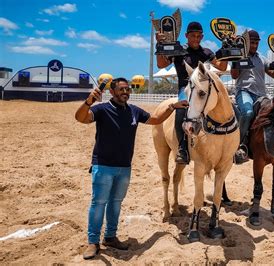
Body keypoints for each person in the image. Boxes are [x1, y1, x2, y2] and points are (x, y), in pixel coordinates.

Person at [75, 78, 188, 259]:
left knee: (115, 203)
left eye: (127, 89)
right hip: (103, 166)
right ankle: (93, 242)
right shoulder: (102, 109)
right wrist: (89, 102)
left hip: (124, 168)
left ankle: (110, 237)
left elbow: (155, 119)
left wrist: (173, 107)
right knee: (98, 204)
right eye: (121, 89)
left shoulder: (133, 111)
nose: (125, 92)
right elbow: (80, 118)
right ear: (112, 92)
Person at [156, 22, 228, 164]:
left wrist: (226, 48)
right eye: (193, 36)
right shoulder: (177, 51)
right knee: (181, 112)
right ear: (186, 36)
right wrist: (159, 44)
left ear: (202, 36)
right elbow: (161, 64)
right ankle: (182, 148)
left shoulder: (207, 52)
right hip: (186, 89)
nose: (196, 39)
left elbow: (222, 67)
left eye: (198, 36)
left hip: (204, 90)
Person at [232, 30, 274, 164]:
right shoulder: (240, 55)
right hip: (244, 91)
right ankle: (239, 146)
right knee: (248, 113)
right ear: (247, 43)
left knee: (273, 112)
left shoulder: (262, 58)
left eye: (256, 43)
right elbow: (234, 75)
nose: (254, 46)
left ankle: (268, 144)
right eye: (252, 43)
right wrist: (236, 57)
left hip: (261, 94)